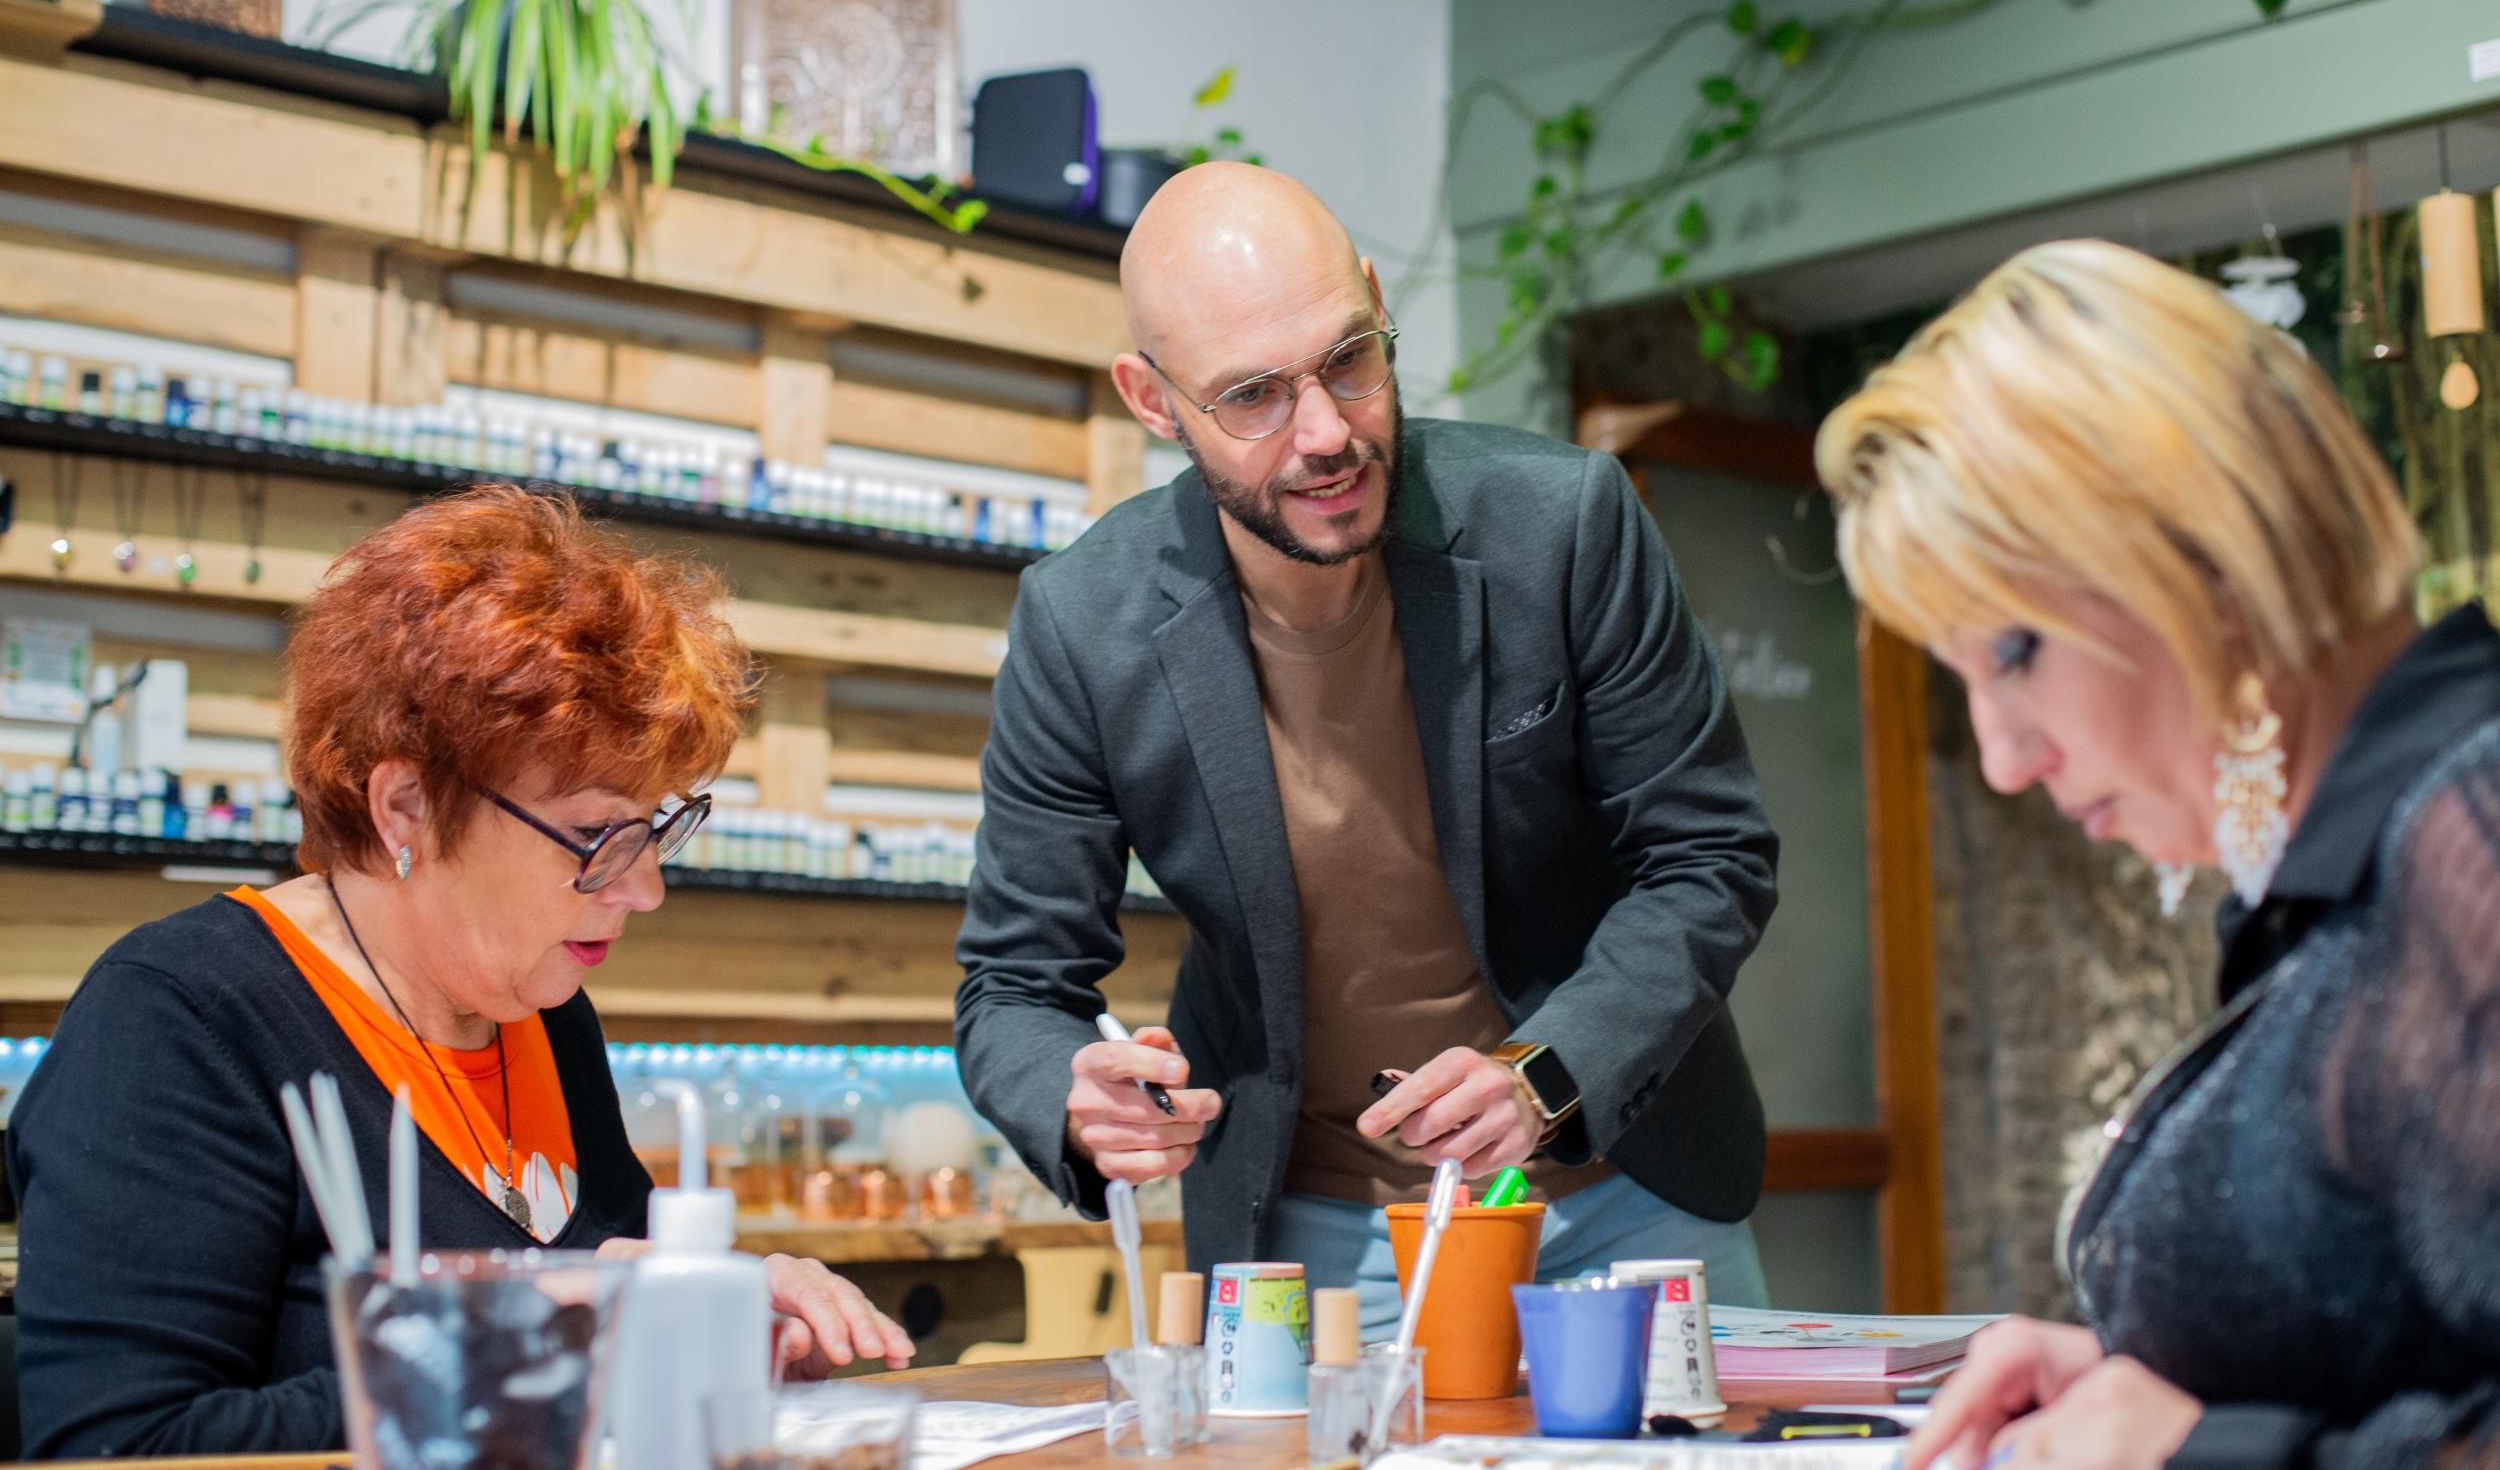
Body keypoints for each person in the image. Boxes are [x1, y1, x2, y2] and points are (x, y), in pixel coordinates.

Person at [954, 163, 1779, 1337]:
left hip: (1624, 1198)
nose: (1327, 432)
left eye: (1350, 358)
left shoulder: (1566, 525)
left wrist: (1545, 1070)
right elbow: (1014, 984)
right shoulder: (1085, 624)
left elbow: (1708, 855)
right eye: (1252, 396)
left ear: (1378, 306)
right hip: (1307, 1233)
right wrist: (1076, 1101)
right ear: (1152, 400)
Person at [6, 487, 911, 1459]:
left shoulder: (543, 1011)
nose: (645, 886)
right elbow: (115, 1443)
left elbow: (609, 1313)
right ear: (406, 808)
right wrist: (535, 1328)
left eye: (654, 828)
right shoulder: (182, 1016)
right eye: (599, 833)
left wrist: (714, 1317)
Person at [1817, 239, 2498, 1470]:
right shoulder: (2372, 868)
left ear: (2206, 561)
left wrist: (2203, 1450)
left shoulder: (2473, 843)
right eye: (1960, 677)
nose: (2004, 755)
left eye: (2014, 652)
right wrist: (2133, 1384)